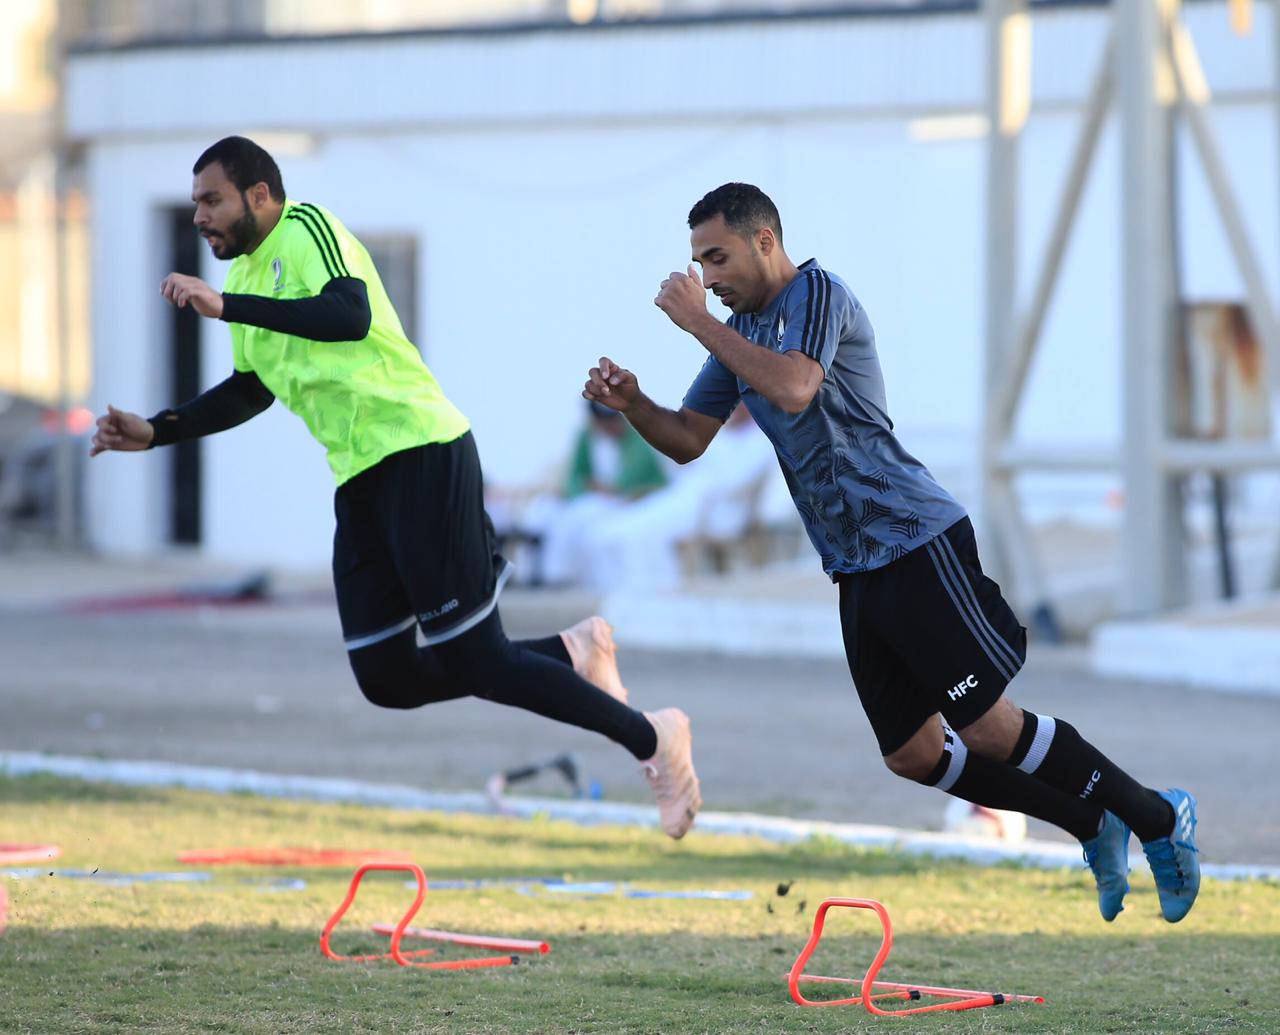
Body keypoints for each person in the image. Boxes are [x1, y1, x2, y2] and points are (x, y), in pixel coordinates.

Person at [583, 182, 1199, 920]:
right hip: (855, 566)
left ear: (764, 242)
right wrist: (637, 403)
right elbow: (687, 437)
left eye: (716, 258)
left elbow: (796, 386)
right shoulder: (743, 330)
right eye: (697, 264)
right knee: (913, 753)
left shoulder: (817, 294)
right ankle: (1093, 822)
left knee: (989, 728)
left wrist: (696, 325)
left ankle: (1160, 818)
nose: (706, 279)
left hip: (913, 540)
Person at [88, 135, 701, 839]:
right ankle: (574, 652)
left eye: (211, 200)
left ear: (260, 194)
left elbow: (347, 316)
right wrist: (157, 430)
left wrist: (226, 307)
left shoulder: (306, 228)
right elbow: (252, 388)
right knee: (384, 676)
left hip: (420, 451)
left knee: (478, 656)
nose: (199, 216)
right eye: (194, 202)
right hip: (359, 479)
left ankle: (652, 738)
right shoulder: (250, 283)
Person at [509, 399, 668, 587]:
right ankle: (533, 573)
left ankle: (558, 575)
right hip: (591, 498)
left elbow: (630, 479)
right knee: (543, 510)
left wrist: (604, 489)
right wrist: (579, 490)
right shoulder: (587, 437)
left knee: (581, 516)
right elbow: (576, 475)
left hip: (627, 502)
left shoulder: (635, 436)